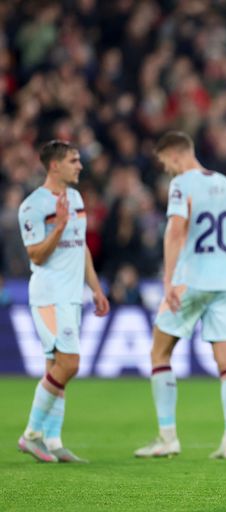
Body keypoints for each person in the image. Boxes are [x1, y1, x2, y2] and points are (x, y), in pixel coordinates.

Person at [134, 132, 226, 459]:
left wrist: (168, 282)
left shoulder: (181, 185)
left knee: (160, 353)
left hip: (190, 281)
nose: (166, 171)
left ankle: (167, 437)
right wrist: (222, 251)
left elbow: (175, 231)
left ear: (175, 156)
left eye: (165, 164)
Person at [17, 140, 110, 463]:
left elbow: (80, 246)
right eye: (74, 160)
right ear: (54, 166)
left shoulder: (76, 198)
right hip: (49, 295)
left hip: (72, 296)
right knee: (69, 364)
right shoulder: (32, 206)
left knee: (55, 368)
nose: (80, 166)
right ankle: (31, 434)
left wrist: (95, 289)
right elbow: (36, 255)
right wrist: (57, 226)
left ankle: (53, 440)